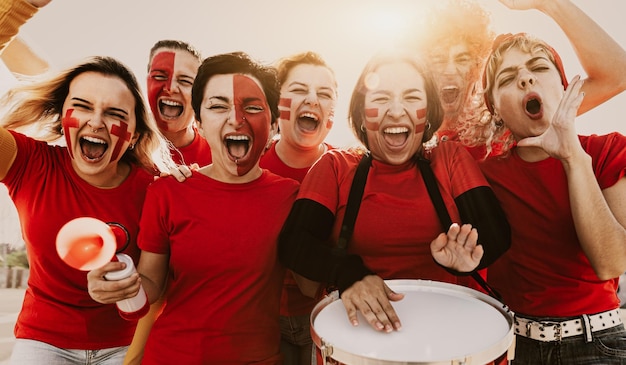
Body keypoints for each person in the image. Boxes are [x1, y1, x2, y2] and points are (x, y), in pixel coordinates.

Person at [278, 50, 511, 338]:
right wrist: (350, 274)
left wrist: (471, 256)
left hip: (450, 338)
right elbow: (295, 243)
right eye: (381, 98)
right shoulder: (335, 167)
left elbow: (495, 232)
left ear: (427, 116)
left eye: (412, 98)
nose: (397, 111)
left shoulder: (450, 159)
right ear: (362, 115)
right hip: (360, 337)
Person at [87, 51, 300, 364]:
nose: (236, 119)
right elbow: (152, 285)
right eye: (217, 106)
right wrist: (120, 285)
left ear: (273, 122)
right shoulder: (167, 192)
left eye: (252, 107)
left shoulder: (291, 197)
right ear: (199, 120)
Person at [1, 2, 177, 364]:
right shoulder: (28, 163)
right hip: (43, 341)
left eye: (114, 113)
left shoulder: (156, 190)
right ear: (62, 114)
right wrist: (22, 6)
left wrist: (129, 293)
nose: (96, 122)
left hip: (124, 347)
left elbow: (153, 293)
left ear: (132, 135)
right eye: (82, 106)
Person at [479, 32, 626, 364]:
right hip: (519, 349)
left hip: (600, 345)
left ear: (564, 88)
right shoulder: (483, 175)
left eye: (538, 67)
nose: (525, 77)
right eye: (507, 77)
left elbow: (613, 261)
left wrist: (572, 155)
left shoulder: (606, 151)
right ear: (495, 110)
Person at [418, 0, 626, 158]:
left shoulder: (507, 117)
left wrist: (550, 4)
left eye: (462, 59)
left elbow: (616, 76)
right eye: (438, 59)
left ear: (477, 66)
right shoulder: (406, 131)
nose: (450, 69)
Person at [260, 51, 337, 365]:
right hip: (263, 321)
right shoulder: (247, 168)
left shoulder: (348, 172)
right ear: (277, 103)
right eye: (299, 89)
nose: (313, 100)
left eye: (324, 93)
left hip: (324, 316)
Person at [146, 39, 212, 166]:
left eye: (185, 81)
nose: (170, 88)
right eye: (160, 76)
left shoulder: (219, 151)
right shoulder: (122, 145)